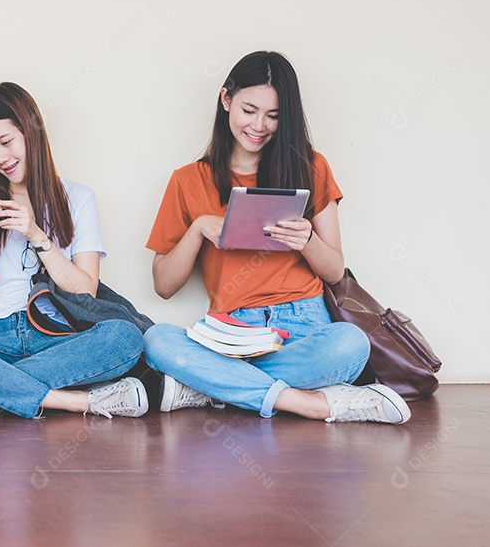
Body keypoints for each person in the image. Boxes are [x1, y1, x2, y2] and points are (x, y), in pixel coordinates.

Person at [142, 51, 411, 424]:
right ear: (226, 100)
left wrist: (308, 241)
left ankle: (214, 389)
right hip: (232, 335)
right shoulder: (188, 180)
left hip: (305, 326)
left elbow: (335, 271)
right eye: (249, 110)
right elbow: (163, 285)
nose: (259, 126)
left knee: (351, 345)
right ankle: (309, 403)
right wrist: (199, 227)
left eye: (273, 116)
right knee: (157, 341)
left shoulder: (312, 167)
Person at [0, 82, 148, 420]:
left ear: (31, 131)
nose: (0, 159)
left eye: (6, 142)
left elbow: (85, 290)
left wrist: (36, 234)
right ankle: (75, 401)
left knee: (124, 337)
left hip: (54, 336)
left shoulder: (78, 199)